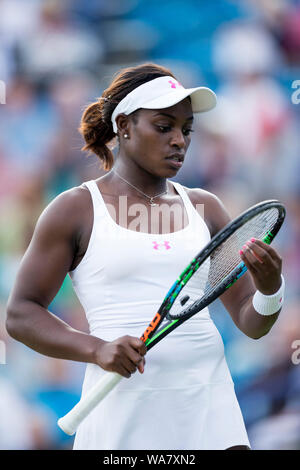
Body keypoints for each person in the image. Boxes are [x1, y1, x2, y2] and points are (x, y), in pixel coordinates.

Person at [6, 63, 284, 450]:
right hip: (123, 410)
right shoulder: (74, 208)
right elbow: (21, 313)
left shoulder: (206, 207)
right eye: (163, 126)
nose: (179, 141)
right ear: (124, 126)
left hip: (210, 404)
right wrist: (97, 348)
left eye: (186, 130)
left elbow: (252, 323)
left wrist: (271, 289)